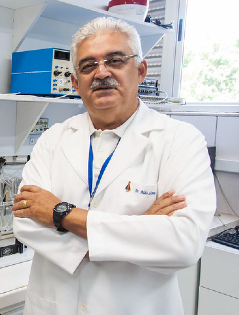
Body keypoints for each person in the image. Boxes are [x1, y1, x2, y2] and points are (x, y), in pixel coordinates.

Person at [12, 17, 216, 315]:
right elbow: (26, 222)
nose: (101, 72)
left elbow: (183, 243)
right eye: (88, 65)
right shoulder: (52, 139)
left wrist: (61, 214)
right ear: (75, 82)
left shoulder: (180, 141)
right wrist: (143, 228)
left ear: (140, 71)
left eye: (115, 60)